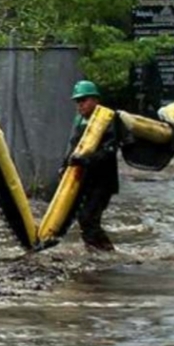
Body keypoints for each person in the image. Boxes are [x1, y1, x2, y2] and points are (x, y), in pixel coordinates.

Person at [66, 80, 121, 251]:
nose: (80, 104)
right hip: (85, 180)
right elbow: (74, 147)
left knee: (88, 218)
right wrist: (65, 165)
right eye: (77, 101)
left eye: (84, 100)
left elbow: (109, 151)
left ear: (96, 100)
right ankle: (96, 251)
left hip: (103, 181)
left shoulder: (109, 120)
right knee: (85, 219)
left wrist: (85, 161)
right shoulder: (80, 121)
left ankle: (106, 253)